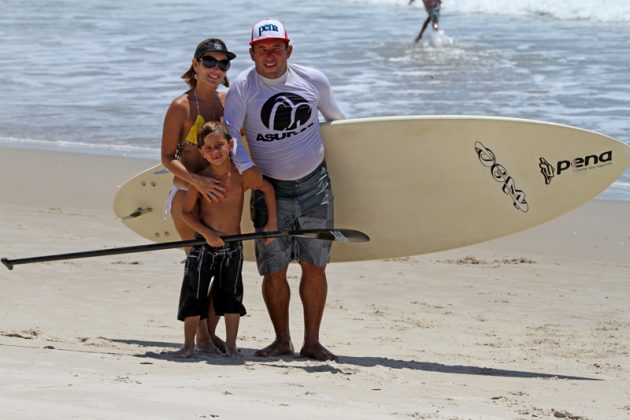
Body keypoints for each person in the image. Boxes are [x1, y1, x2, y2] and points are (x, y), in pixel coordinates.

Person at [224, 18, 347, 361]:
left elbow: (338, 121)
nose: (269, 56)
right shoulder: (242, 88)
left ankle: (312, 342)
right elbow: (230, 131)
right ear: (251, 53)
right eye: (262, 50)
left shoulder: (313, 80)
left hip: (315, 186)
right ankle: (282, 340)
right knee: (274, 268)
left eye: (276, 48)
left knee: (315, 266)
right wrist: (246, 167)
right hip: (268, 191)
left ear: (288, 49)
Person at [175, 121, 278, 358]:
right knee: (194, 294)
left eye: (219, 145)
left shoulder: (241, 176)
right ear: (201, 152)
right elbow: (186, 213)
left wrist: (272, 223)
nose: (215, 151)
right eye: (208, 148)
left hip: (233, 247)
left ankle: (231, 346)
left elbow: (268, 189)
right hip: (204, 245)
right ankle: (189, 345)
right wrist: (207, 233)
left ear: (231, 144)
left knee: (230, 296)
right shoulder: (201, 180)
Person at [160, 38, 236, 354]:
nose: (216, 69)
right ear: (196, 65)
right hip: (186, 194)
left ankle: (209, 333)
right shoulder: (181, 106)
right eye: (209, 61)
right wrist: (196, 182)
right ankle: (202, 337)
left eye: (223, 63)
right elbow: (166, 157)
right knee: (199, 267)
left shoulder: (225, 103)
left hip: (218, 196)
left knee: (222, 269)